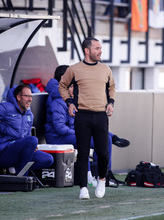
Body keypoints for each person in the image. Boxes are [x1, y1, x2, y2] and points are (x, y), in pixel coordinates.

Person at [45, 65, 129, 186]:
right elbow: (59, 128)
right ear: (64, 78)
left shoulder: (73, 97)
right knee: (89, 139)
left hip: (71, 133)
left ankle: (104, 174)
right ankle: (94, 176)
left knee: (106, 139)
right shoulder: (58, 99)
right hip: (58, 137)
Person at [59, 37, 115, 199]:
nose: (100, 51)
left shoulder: (106, 69)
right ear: (87, 51)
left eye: (100, 48)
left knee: (103, 153)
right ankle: (83, 188)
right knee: (82, 153)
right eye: (97, 48)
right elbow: (62, 86)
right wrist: (69, 102)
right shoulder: (74, 69)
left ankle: (102, 179)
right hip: (82, 116)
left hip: (101, 115)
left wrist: (111, 102)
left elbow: (111, 86)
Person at [0, 85, 54, 176]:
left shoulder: (29, 114)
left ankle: (15, 169)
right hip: (3, 151)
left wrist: (32, 146)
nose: (30, 99)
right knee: (32, 140)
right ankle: (22, 177)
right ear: (18, 97)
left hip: (19, 152)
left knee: (47, 159)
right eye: (27, 96)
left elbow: (27, 137)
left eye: (31, 96)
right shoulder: (6, 108)